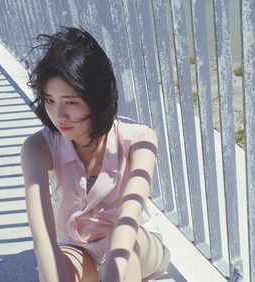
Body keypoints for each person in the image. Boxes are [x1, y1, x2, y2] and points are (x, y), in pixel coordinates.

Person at [21, 26, 169, 282]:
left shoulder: (139, 138)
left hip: (133, 240)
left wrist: (113, 275)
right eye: (49, 100)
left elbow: (129, 217)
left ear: (96, 98)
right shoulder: (38, 147)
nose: (58, 115)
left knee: (125, 255)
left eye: (70, 102)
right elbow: (43, 237)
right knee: (57, 271)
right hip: (78, 245)